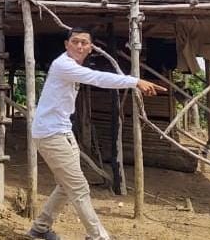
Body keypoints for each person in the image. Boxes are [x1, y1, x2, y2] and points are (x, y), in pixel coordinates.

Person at [27, 27, 164, 240]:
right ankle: (97, 236)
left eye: (84, 43)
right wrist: (135, 81)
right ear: (66, 45)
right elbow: (97, 78)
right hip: (50, 133)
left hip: (62, 130)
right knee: (79, 187)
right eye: (75, 42)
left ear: (90, 48)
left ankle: (40, 228)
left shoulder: (71, 65)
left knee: (66, 186)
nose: (79, 46)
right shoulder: (64, 65)